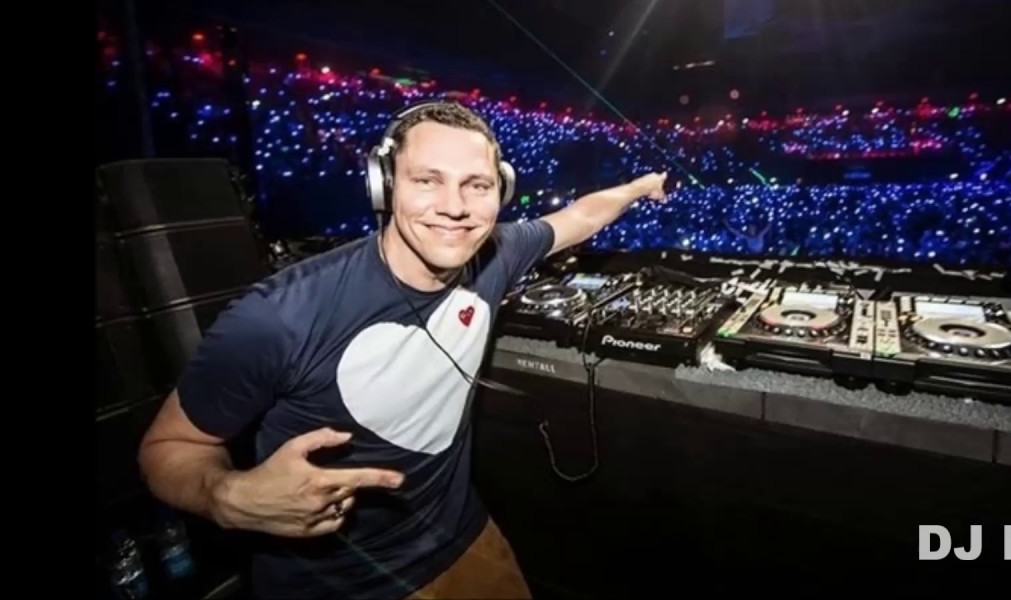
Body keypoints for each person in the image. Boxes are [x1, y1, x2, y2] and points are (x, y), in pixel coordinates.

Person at [137, 101, 669, 600]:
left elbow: (580, 217)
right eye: (427, 181)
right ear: (384, 185)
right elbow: (166, 447)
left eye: (476, 185)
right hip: (336, 585)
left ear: (501, 191)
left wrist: (639, 187)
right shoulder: (278, 317)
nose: (455, 207)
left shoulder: (498, 255)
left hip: (466, 543)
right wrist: (228, 498)